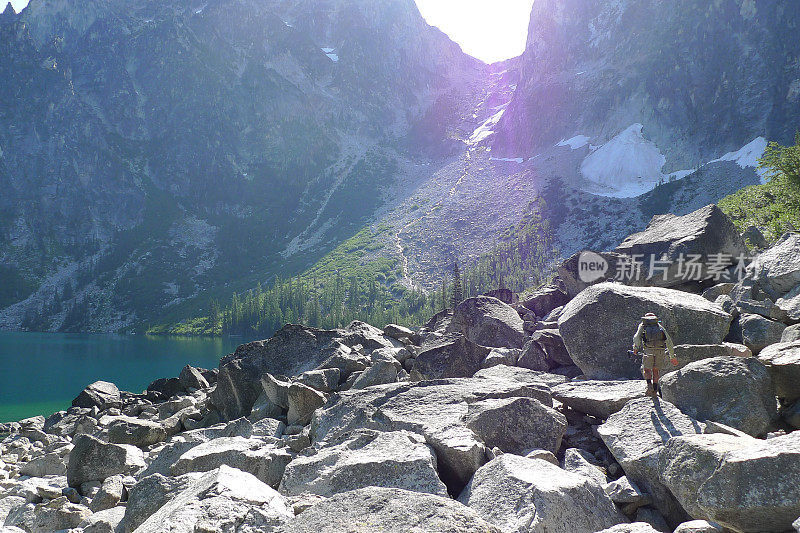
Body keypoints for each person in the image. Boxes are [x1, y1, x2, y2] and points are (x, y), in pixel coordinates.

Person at [632, 313, 677, 397]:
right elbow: (669, 341)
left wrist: (636, 348)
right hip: (660, 351)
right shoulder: (659, 326)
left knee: (647, 369)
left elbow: (637, 337)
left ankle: (649, 385)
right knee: (656, 370)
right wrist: (672, 356)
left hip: (648, 351)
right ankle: (655, 390)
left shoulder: (643, 325)